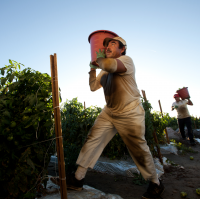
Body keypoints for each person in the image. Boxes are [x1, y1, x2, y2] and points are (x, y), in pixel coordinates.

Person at [66, 36, 164, 199]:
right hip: (110, 112)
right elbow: (93, 87)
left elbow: (110, 65)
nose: (107, 47)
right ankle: (77, 179)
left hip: (130, 112)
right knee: (93, 140)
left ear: (122, 48)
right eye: (105, 45)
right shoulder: (104, 70)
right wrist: (92, 69)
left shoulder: (126, 61)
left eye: (112, 43)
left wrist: (98, 59)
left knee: (138, 149)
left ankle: (156, 184)